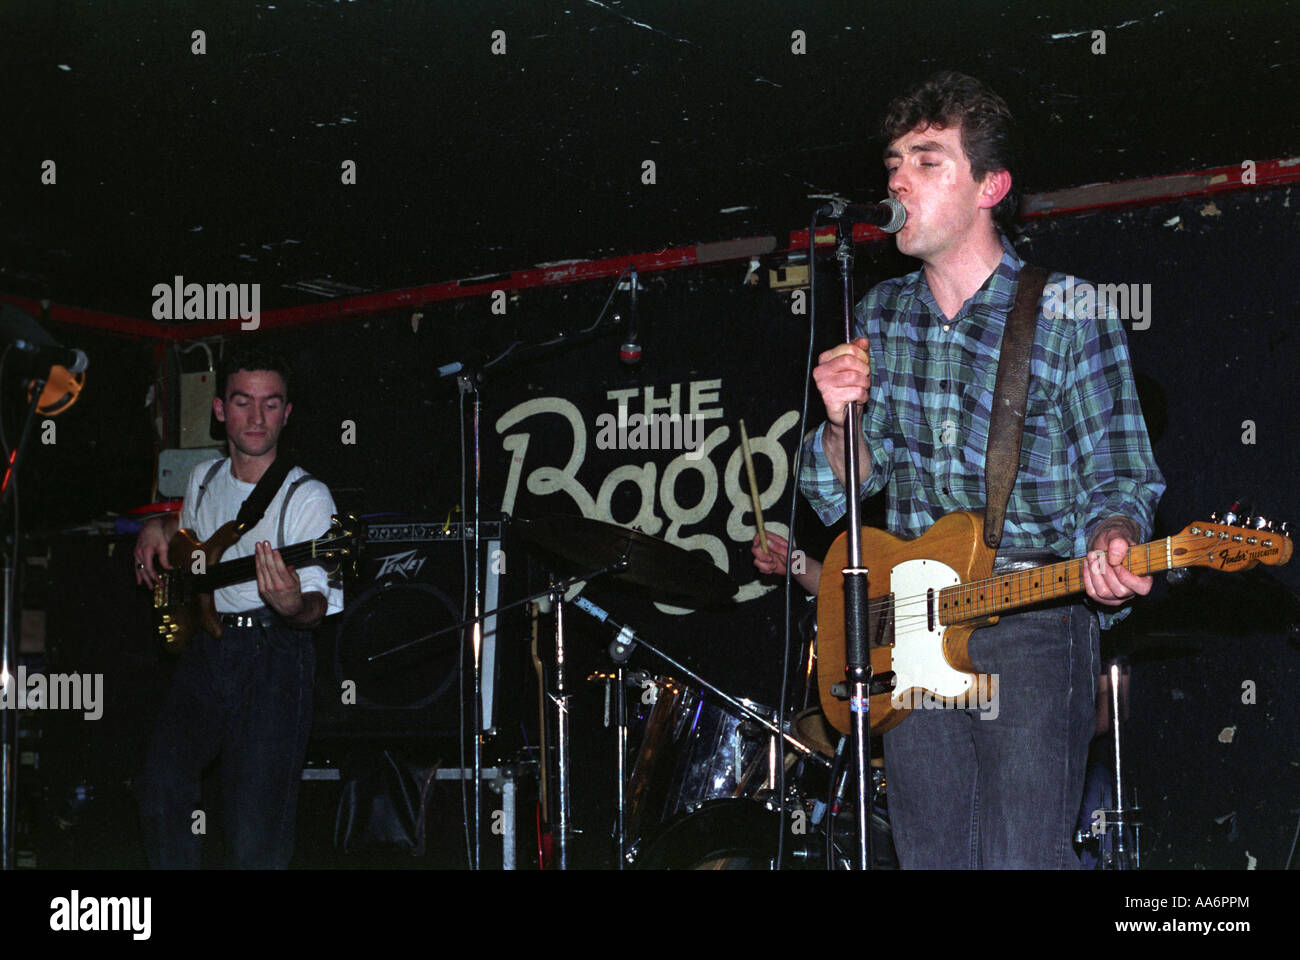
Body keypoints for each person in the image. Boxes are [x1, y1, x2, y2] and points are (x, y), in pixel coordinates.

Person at [798, 72, 1164, 868]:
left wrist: (1112, 536)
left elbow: (1122, 472)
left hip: (1034, 617)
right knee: (934, 857)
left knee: (1020, 859)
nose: (898, 178)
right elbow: (840, 490)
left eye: (927, 161)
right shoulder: (879, 315)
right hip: (919, 622)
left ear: (990, 186)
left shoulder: (1068, 308)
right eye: (894, 161)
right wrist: (836, 423)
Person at [132, 344, 343, 867]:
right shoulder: (202, 478)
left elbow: (318, 603)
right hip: (209, 650)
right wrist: (155, 527)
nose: (256, 417)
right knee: (159, 785)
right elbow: (190, 542)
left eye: (271, 404)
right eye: (243, 402)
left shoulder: (308, 496)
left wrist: (293, 606)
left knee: (255, 833)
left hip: (274, 655)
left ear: (287, 413)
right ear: (221, 409)